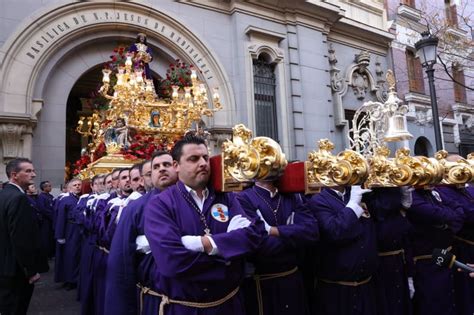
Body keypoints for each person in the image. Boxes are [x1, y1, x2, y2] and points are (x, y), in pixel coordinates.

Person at [144, 135, 266, 314]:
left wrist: (205, 244)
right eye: (193, 159)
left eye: (205, 158)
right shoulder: (160, 204)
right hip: (187, 308)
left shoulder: (227, 197)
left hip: (230, 305)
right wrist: (229, 255)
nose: (203, 163)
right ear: (176, 166)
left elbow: (256, 234)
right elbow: (171, 262)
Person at [105, 152, 178, 315]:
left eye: (167, 165)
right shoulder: (134, 208)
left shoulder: (194, 198)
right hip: (156, 299)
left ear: (177, 167)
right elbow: (120, 259)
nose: (162, 170)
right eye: (156, 167)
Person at [236, 178, 319, 315]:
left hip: (293, 279)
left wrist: (273, 231)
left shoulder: (292, 196)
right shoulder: (244, 198)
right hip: (264, 284)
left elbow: (312, 232)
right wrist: (295, 235)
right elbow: (260, 245)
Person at [305, 185, 378, 315]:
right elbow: (335, 232)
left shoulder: (358, 194)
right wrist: (352, 205)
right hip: (337, 290)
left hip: (366, 286)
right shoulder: (318, 200)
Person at [407, 186, 464, 315]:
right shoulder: (412, 196)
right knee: (432, 298)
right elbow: (439, 214)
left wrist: (448, 220)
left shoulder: (434, 192)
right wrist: (448, 218)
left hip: (444, 252)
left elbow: (459, 209)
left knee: (448, 293)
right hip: (427, 259)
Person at [0, 158, 43, 315]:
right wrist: (30, 271)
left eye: (33, 170)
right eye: (28, 171)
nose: (33, 174)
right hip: (15, 270)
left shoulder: (4, 194)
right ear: (14, 175)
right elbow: (21, 239)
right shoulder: (18, 198)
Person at [363, 187, 414, 315]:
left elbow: (404, 233)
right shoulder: (369, 193)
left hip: (399, 259)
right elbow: (380, 208)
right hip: (379, 262)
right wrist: (398, 193)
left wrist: (409, 274)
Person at [436, 156, 474, 315]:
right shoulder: (442, 189)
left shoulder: (463, 189)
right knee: (466, 294)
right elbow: (466, 214)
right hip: (464, 248)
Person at [54, 178, 82, 290]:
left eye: (79, 184)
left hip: (76, 230)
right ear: (69, 187)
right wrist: (60, 235)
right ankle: (69, 280)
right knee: (70, 255)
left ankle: (72, 279)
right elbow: (60, 218)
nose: (77, 186)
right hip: (69, 230)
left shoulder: (79, 198)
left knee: (74, 255)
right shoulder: (66, 200)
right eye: (75, 185)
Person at [37, 181, 55, 258]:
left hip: (51, 220)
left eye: (50, 186)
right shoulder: (41, 197)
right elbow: (42, 209)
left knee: (51, 237)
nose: (50, 187)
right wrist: (52, 216)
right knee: (45, 238)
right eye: (48, 186)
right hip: (45, 220)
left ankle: (51, 253)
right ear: (44, 188)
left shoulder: (50, 196)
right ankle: (45, 255)